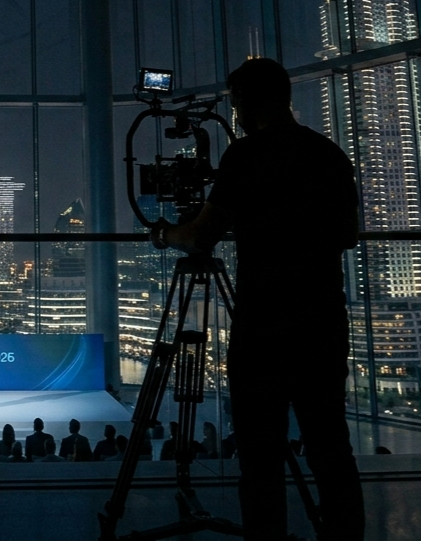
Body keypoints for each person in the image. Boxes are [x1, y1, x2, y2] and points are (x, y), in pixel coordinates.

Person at [151, 57, 365, 541]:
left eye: (235, 102)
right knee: (331, 448)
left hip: (265, 324)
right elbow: (349, 235)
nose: (235, 113)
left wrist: (166, 235)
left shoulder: (245, 157)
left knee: (260, 456)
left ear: (246, 101)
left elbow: (200, 237)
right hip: (322, 318)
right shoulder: (327, 153)